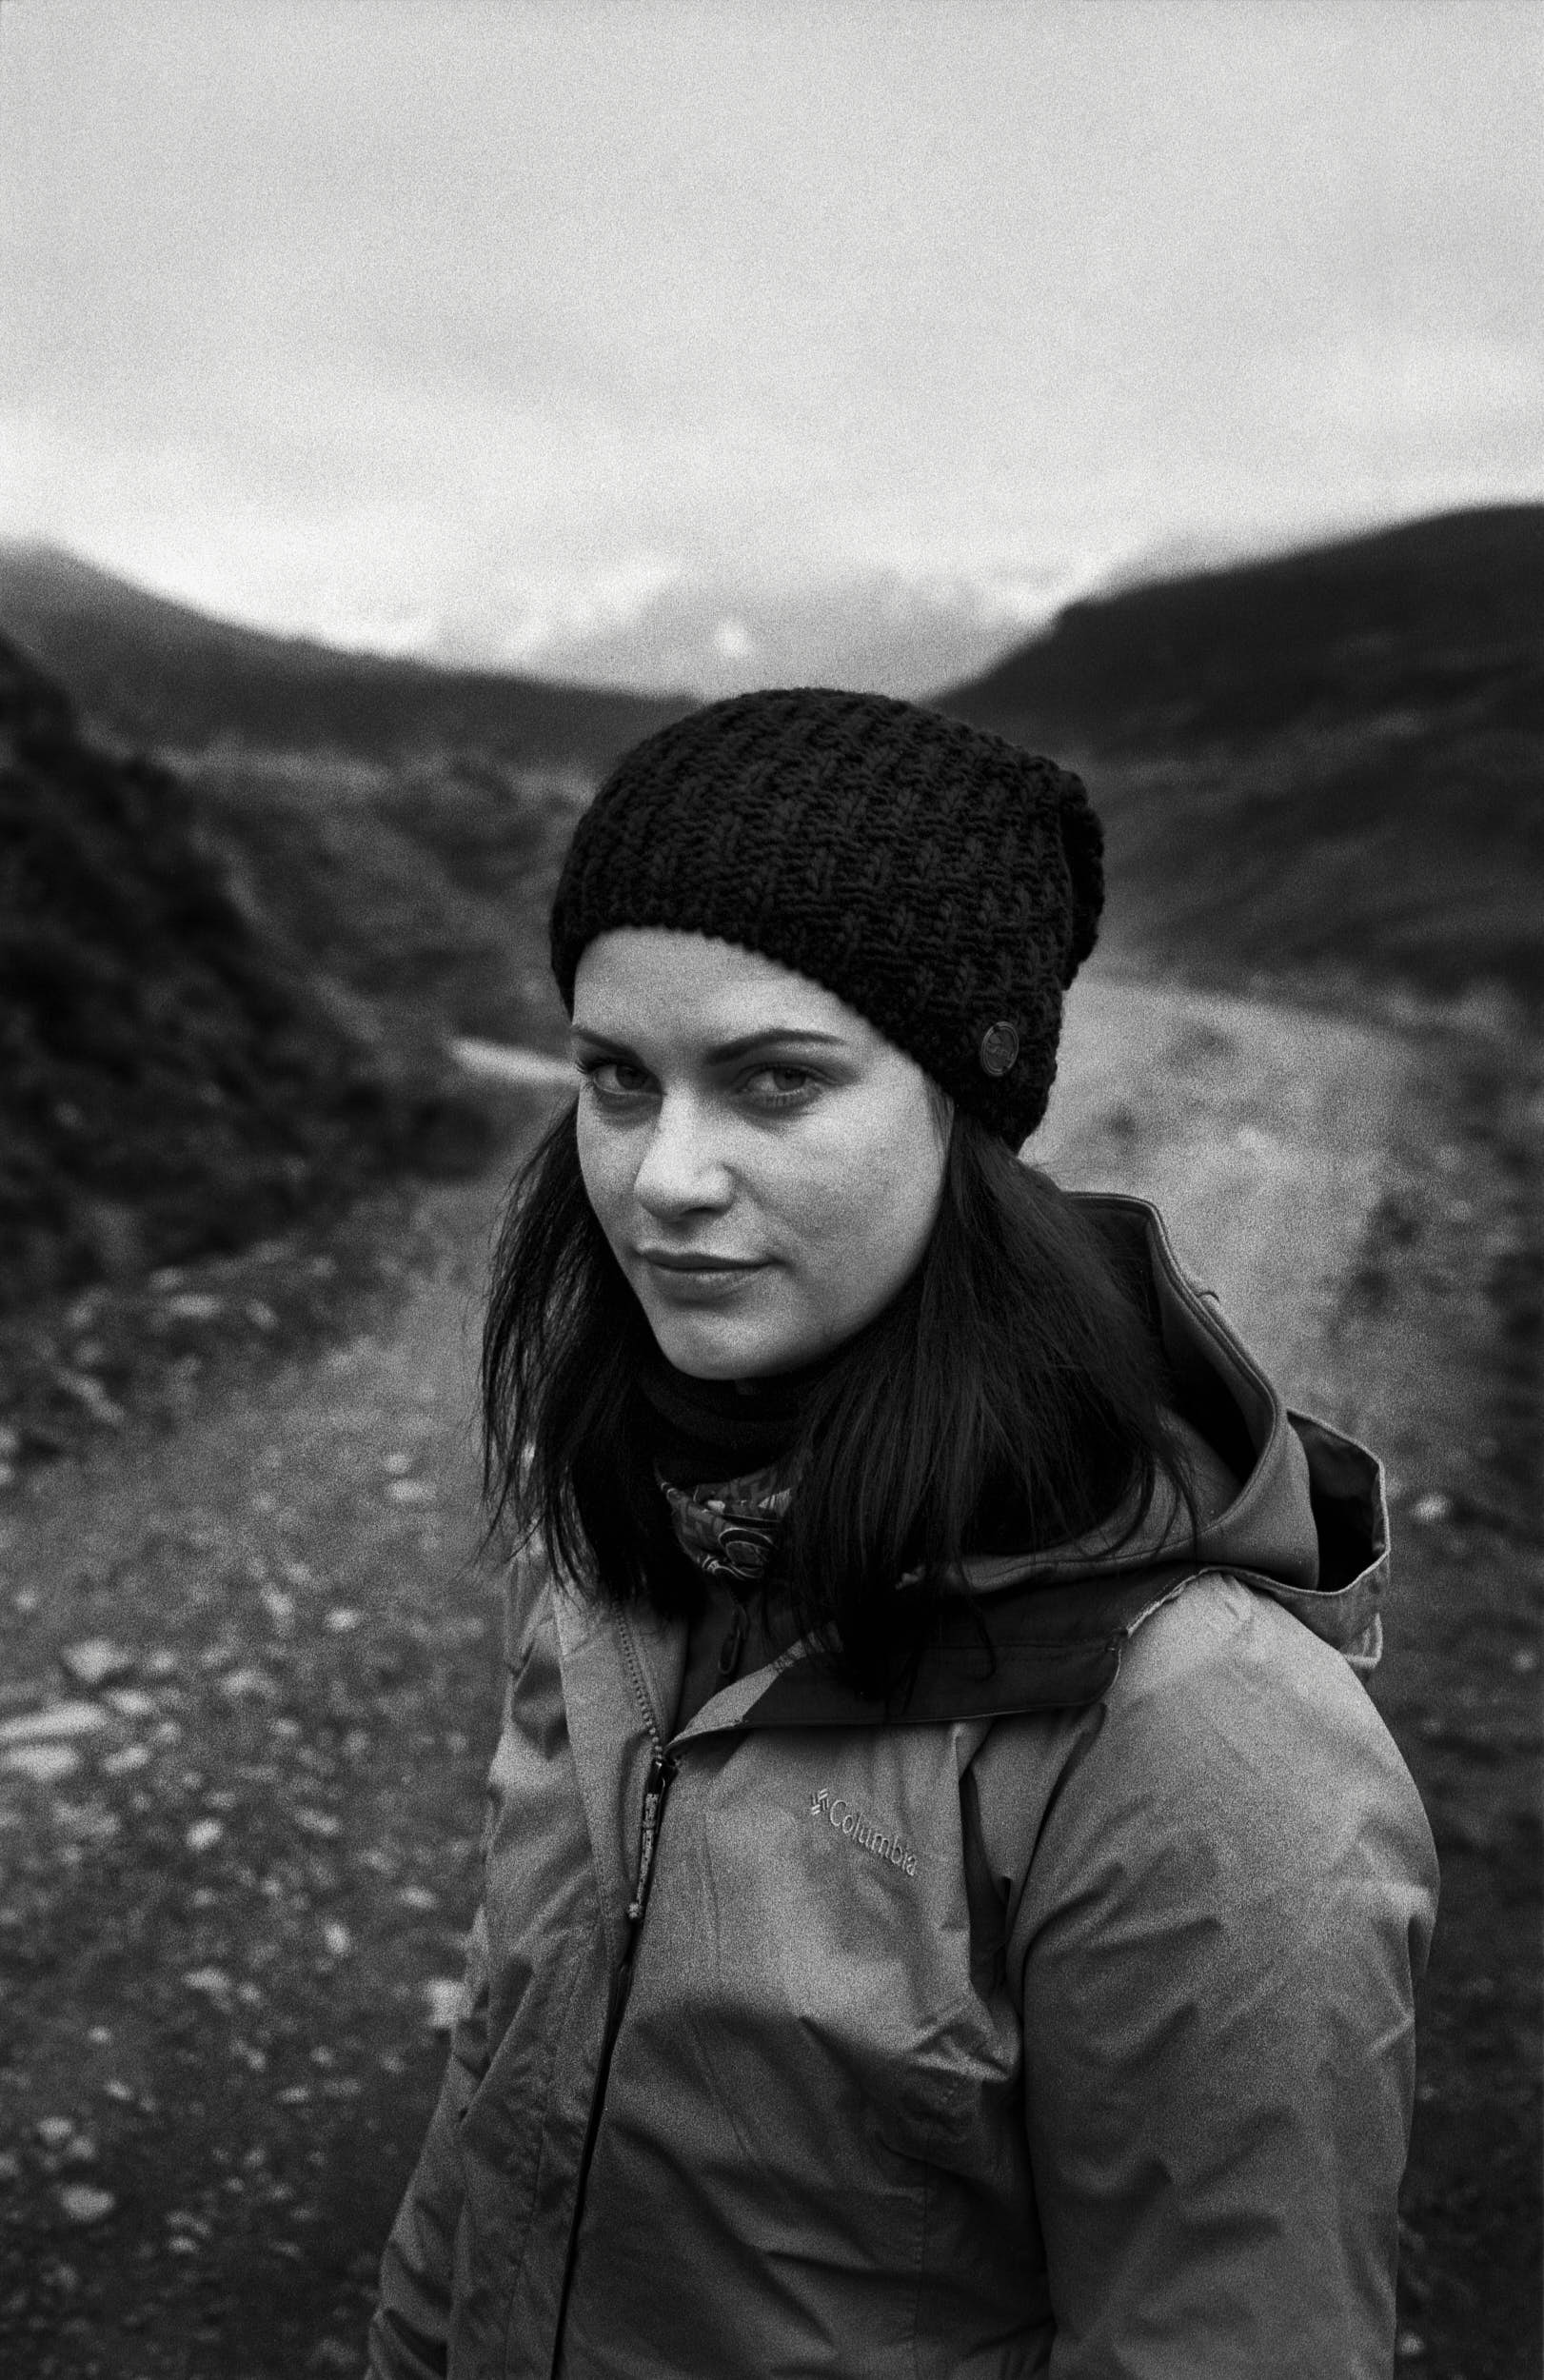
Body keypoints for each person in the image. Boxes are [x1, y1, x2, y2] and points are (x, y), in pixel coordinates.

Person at [369, 687, 1437, 2380]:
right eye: (615, 1079)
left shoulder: (1204, 1740)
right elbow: (495, 2129)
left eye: (775, 1083)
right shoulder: (629, 1544)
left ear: (966, 1106)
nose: (661, 1177)